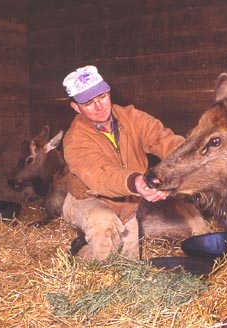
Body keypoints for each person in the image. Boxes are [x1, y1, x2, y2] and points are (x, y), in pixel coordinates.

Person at [61, 65, 185, 261]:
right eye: (89, 103)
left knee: (130, 266)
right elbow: (101, 175)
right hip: (88, 199)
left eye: (102, 97)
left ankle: (91, 248)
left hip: (127, 204)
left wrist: (188, 162)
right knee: (104, 229)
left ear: (108, 93)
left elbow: (163, 139)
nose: (100, 107)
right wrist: (137, 182)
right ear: (76, 107)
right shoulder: (75, 139)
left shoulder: (131, 117)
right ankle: (80, 255)